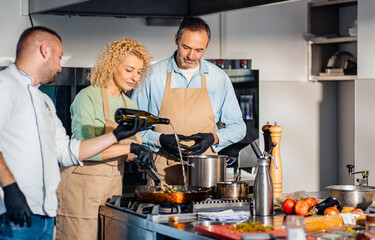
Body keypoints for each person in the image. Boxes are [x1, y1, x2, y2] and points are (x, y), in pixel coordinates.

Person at [0, 26, 153, 239]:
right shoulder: (5, 86)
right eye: (59, 57)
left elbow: (66, 150)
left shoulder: (42, 100)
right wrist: (10, 190)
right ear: (44, 51)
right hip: (16, 210)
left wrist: (119, 138)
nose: (61, 67)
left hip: (44, 211)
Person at [55, 38, 153, 240]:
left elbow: (130, 151)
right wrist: (130, 149)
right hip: (81, 190)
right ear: (111, 65)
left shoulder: (130, 105)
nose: (134, 77)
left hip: (112, 188)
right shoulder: (87, 97)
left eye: (139, 72)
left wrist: (140, 155)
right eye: (129, 70)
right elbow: (84, 150)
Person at [131, 17, 246, 185]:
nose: (191, 56)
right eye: (186, 47)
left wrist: (212, 138)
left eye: (199, 50)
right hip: (162, 171)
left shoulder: (218, 78)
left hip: (207, 171)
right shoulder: (151, 75)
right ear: (176, 39)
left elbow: (238, 127)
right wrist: (159, 139)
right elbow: (133, 128)